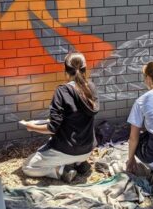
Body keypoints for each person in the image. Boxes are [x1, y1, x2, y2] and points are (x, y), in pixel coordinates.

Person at [21, 52, 98, 182]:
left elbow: (52, 129)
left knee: (27, 166)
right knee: (71, 154)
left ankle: (61, 170)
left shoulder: (62, 91)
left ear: (66, 71)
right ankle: (80, 163)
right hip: (88, 148)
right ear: (85, 69)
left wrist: (31, 127)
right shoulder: (91, 88)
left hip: (68, 150)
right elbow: (74, 117)